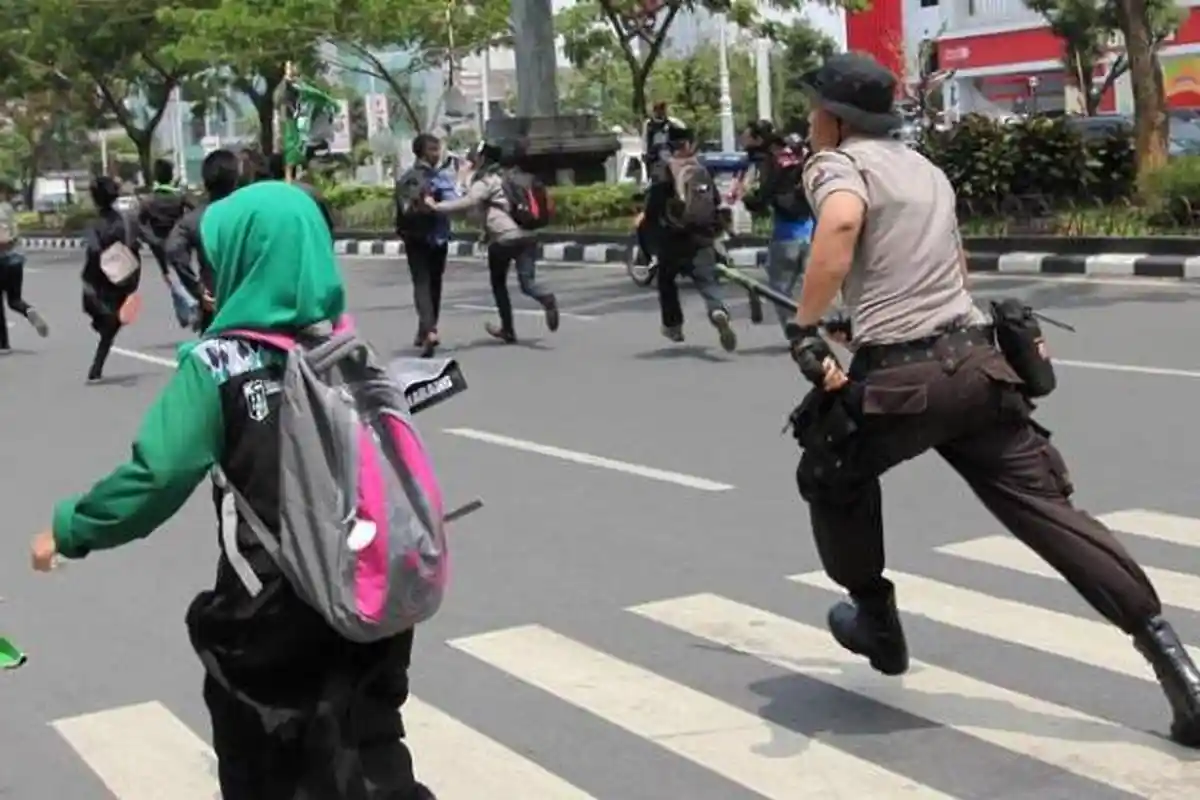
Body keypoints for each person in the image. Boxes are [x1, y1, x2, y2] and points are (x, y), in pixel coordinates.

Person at [786, 52, 1200, 747]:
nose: (809, 119)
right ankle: (1178, 670)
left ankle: (876, 623)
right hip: (979, 367)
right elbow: (951, 271)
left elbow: (842, 225)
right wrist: (858, 319)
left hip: (905, 382)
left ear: (835, 117)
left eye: (813, 108)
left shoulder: (836, 165)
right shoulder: (927, 170)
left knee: (829, 471)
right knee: (1049, 513)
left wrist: (804, 329)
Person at [30, 181, 438, 799]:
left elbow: (156, 477)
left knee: (271, 771)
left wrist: (69, 529)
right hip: (372, 590)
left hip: (272, 611)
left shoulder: (219, 364)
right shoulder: (350, 348)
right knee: (371, 747)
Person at [426, 142, 559, 344]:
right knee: (527, 284)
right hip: (528, 236)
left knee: (498, 284)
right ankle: (546, 298)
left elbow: (468, 202)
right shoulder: (512, 178)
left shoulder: (488, 180)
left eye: (473, 158)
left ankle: (508, 329)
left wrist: (437, 206)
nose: (470, 162)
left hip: (505, 240)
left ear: (481, 159)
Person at [642, 124, 736, 351]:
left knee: (666, 280)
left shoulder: (663, 172)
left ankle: (674, 326)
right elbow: (714, 203)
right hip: (701, 238)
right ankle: (717, 311)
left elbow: (653, 211)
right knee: (707, 281)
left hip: (672, 240)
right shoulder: (700, 170)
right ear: (690, 145)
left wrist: (650, 243)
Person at [740, 119, 813, 335]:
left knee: (780, 290)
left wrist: (748, 200)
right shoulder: (800, 158)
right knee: (810, 287)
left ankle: (797, 332)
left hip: (786, 236)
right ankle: (813, 325)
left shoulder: (767, 163)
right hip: (812, 233)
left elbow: (761, 196)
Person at [164, 149, 242, 332]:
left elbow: (173, 249)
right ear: (236, 178)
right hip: (251, 303)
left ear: (205, 181)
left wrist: (197, 290)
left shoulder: (195, 218)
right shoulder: (250, 212)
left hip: (214, 303)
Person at [395, 133, 458, 356]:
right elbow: (455, 202)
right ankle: (429, 329)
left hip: (416, 237)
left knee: (423, 283)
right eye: (433, 149)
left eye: (437, 149)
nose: (437, 154)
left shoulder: (406, 178)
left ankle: (427, 330)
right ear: (422, 152)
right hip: (436, 236)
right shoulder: (438, 177)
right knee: (432, 284)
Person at [80, 176, 141, 383]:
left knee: (97, 312)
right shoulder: (127, 221)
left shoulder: (93, 224)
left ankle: (96, 365)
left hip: (97, 281)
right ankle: (96, 368)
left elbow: (93, 250)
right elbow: (135, 249)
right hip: (121, 280)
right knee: (111, 325)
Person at [137, 158, 197, 328]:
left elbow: (140, 223)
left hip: (160, 244)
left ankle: (190, 303)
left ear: (156, 176)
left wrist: (150, 239)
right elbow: (196, 211)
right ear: (171, 176)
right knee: (181, 274)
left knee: (170, 277)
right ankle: (183, 315)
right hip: (180, 240)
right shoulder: (179, 196)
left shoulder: (149, 200)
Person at [0, 181, 50, 351]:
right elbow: (14, 233)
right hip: (16, 259)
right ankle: (28, 311)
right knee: (15, 300)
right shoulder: (8, 209)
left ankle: (3, 344)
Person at [642, 100, 687, 172]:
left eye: (662, 110)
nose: (660, 112)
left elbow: (683, 130)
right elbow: (645, 139)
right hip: (653, 154)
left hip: (668, 152)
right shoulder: (648, 124)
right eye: (658, 110)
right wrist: (644, 152)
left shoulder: (672, 122)